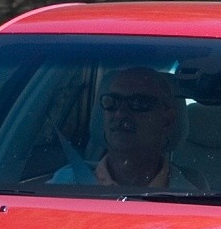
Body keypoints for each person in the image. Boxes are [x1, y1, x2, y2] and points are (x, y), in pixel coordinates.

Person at [54, 66, 201, 191]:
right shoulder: (61, 186)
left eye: (138, 103)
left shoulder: (196, 203)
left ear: (167, 120)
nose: (120, 113)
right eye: (112, 102)